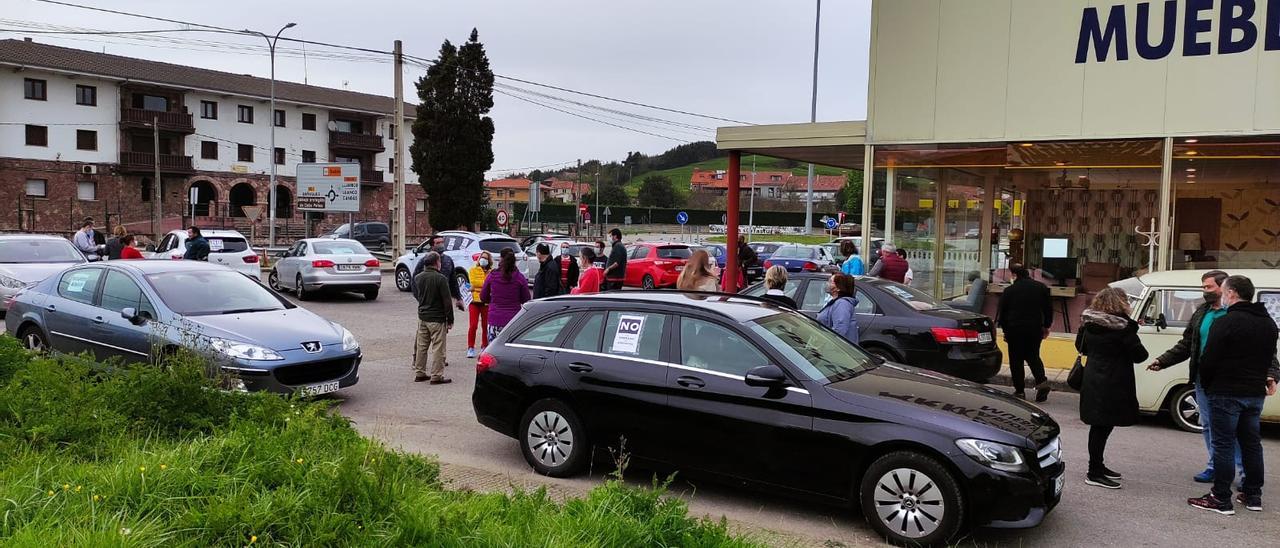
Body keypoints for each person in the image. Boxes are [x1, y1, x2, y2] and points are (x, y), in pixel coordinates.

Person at [1188, 275, 1279, 515]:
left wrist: (1208, 384)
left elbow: (1209, 359)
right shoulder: (1268, 323)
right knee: (1251, 444)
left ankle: (1220, 498)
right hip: (1254, 393)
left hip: (1226, 391)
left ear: (1232, 293)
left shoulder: (1227, 322)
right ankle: (1252, 495)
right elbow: (1269, 357)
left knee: (1223, 444)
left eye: (1225, 292)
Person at [1147, 270, 1243, 482]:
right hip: (1203, 378)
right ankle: (1215, 466)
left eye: (1208, 287)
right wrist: (1162, 361)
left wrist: (1271, 373)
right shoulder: (1202, 312)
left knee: (1231, 427)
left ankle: (1243, 472)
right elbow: (1187, 344)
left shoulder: (1237, 313)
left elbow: (1262, 347)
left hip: (1228, 380)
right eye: (1203, 287)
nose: (1204, 291)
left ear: (1224, 287)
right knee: (1209, 425)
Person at [1076, 287, 1148, 490]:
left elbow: (1081, 347)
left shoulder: (1088, 324)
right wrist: (1133, 328)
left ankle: (1098, 466)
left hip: (1093, 377)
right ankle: (1094, 472)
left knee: (1100, 426)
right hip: (1113, 380)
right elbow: (1140, 355)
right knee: (1101, 427)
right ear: (1120, 304)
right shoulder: (1123, 328)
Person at [997, 263, 1053, 401]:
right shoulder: (1041, 288)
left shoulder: (1009, 291)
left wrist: (1004, 330)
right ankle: (1042, 382)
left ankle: (1020, 391)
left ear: (1014, 275)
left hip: (1014, 330)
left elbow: (1002, 313)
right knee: (1034, 356)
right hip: (1034, 329)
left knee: (1016, 360)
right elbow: (1048, 309)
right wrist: (1046, 326)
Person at [411, 251, 453, 385]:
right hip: (437, 318)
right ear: (436, 263)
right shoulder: (440, 279)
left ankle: (420, 372)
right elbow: (447, 301)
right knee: (438, 347)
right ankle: (437, 375)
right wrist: (450, 319)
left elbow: (417, 294)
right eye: (439, 261)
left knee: (422, 346)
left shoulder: (418, 277)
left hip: (422, 316)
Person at [480, 252, 530, 341]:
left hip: (495, 319)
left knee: (493, 351)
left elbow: (483, 297)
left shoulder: (493, 276)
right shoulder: (519, 278)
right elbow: (526, 299)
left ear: (501, 259)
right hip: (514, 320)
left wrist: (492, 300)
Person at [414, 235, 463, 310]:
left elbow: (453, 281)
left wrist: (458, 298)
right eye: (438, 243)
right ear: (432, 246)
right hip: (429, 303)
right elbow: (414, 281)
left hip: (444, 300)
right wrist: (421, 299)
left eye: (442, 242)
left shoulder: (448, 260)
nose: (441, 244)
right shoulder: (425, 260)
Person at [465, 251, 494, 359]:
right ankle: (470, 347)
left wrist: (478, 287)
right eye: (482, 258)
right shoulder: (473, 270)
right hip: (474, 302)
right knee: (473, 325)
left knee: (485, 326)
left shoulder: (491, 272)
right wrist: (484, 286)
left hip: (486, 302)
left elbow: (489, 285)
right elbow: (474, 282)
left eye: (486, 258)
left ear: (489, 261)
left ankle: (484, 346)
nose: (483, 260)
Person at [817, 273, 859, 344]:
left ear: (838, 288)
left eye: (831, 281)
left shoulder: (842, 304)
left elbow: (839, 330)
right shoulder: (836, 302)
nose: (827, 284)